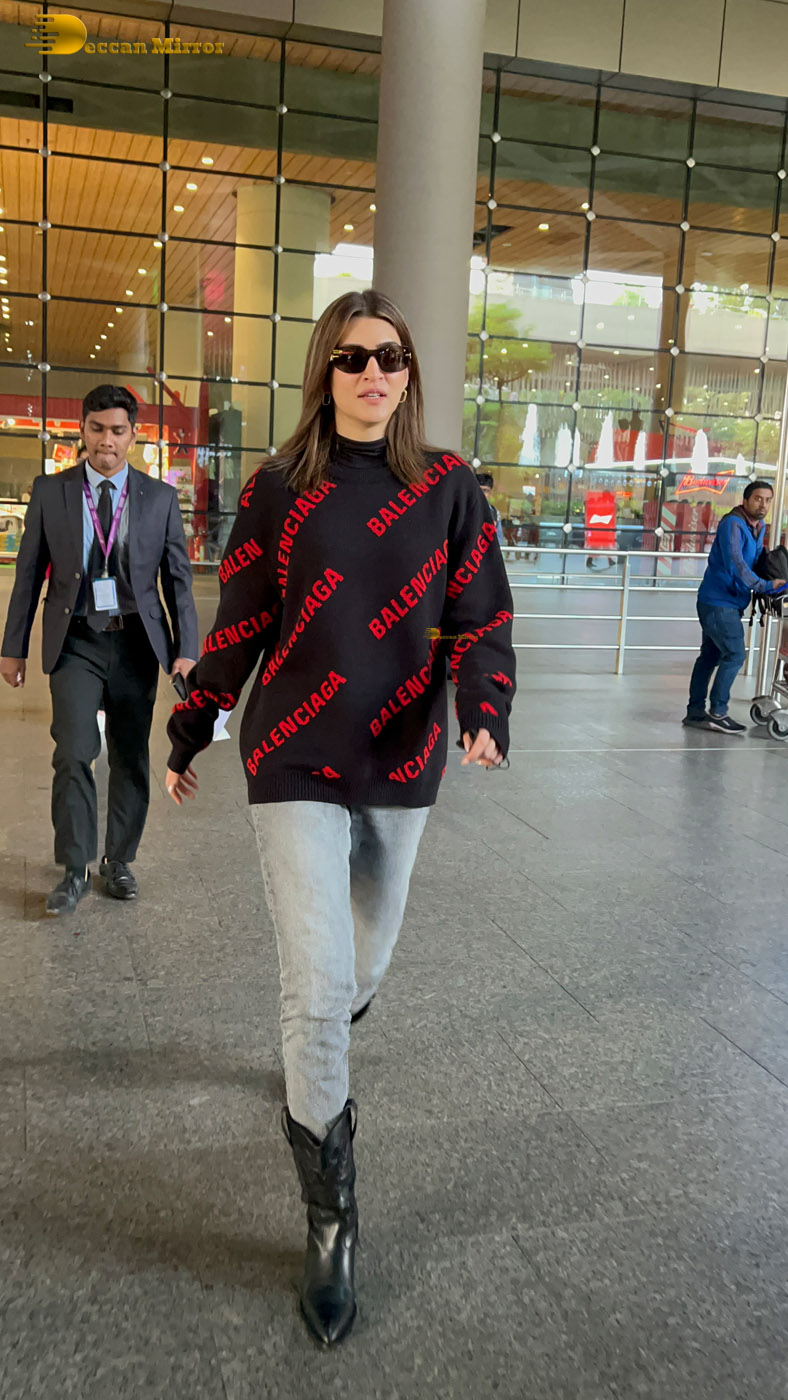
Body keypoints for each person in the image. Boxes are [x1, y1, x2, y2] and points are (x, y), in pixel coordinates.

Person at [164, 290, 516, 1347]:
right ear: (326, 368)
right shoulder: (280, 489)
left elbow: (479, 616)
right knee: (315, 987)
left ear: (409, 374)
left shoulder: (448, 488)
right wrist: (192, 723)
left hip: (400, 759)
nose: (373, 373)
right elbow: (241, 621)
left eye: (391, 357)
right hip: (292, 752)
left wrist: (484, 709)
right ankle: (331, 1217)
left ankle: (327, 1026)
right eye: (354, 357)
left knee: (362, 965)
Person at [0, 384, 199, 914]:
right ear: (82, 431)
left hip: (136, 643)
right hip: (76, 641)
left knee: (131, 755)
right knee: (73, 750)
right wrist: (13, 646)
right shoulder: (52, 491)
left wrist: (187, 648)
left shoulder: (159, 499)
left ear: (133, 436)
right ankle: (74, 868)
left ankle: (118, 860)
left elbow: (178, 580)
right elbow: (28, 573)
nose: (105, 441)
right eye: (96, 429)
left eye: (116, 431)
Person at [684, 479, 786, 734]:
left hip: (729, 602)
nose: (763, 505)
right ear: (746, 500)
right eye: (758, 499)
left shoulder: (758, 526)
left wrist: (776, 574)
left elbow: (756, 560)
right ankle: (718, 712)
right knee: (735, 654)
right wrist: (765, 585)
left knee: (710, 656)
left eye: (768, 500)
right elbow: (736, 565)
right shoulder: (733, 524)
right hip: (718, 602)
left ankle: (695, 713)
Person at [475, 471, 504, 545]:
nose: (482, 494)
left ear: (490, 493)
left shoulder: (494, 513)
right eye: (479, 490)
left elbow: (499, 538)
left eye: (485, 491)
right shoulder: (466, 510)